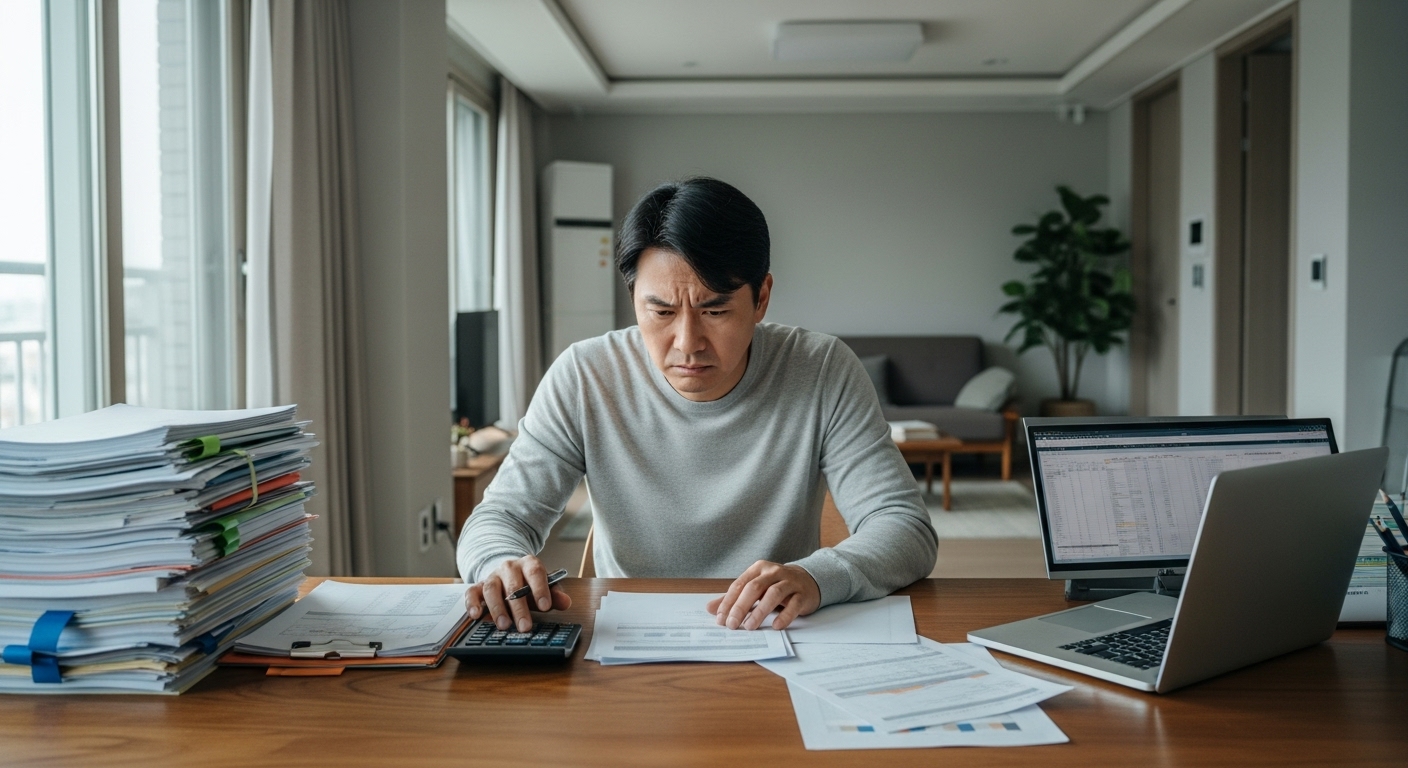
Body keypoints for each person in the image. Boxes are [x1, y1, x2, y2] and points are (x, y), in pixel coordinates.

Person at [458, 177, 936, 634]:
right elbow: (500, 518)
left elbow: (903, 527)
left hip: (774, 634)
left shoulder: (821, 369)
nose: (687, 343)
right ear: (633, 300)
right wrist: (498, 562)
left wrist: (818, 576)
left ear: (762, 297)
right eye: (661, 312)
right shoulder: (585, 375)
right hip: (627, 640)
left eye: (715, 311)